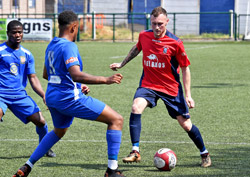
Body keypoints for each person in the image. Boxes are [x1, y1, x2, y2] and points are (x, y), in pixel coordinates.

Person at [13, 10, 125, 177]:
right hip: (68, 99)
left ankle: (27, 165)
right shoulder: (69, 46)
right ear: (73, 27)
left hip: (52, 97)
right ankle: (112, 171)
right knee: (116, 120)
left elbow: (46, 75)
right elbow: (76, 74)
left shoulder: (52, 44)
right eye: (78, 27)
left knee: (59, 131)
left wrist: (77, 86)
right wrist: (106, 79)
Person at [110, 6, 211, 168]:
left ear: (167, 22)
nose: (157, 28)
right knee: (136, 107)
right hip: (148, 84)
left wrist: (188, 95)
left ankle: (204, 153)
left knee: (186, 124)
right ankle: (135, 151)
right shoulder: (144, 35)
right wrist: (122, 64)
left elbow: (185, 68)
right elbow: (137, 48)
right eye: (154, 23)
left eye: (160, 24)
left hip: (170, 88)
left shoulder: (175, 42)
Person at [0, 20, 55, 157]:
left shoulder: (27, 54)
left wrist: (43, 95)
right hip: (1, 94)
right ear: (8, 34)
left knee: (41, 121)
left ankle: (45, 147)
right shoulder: (0, 51)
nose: (17, 35)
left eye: (20, 32)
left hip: (19, 96)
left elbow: (33, 78)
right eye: (14, 32)